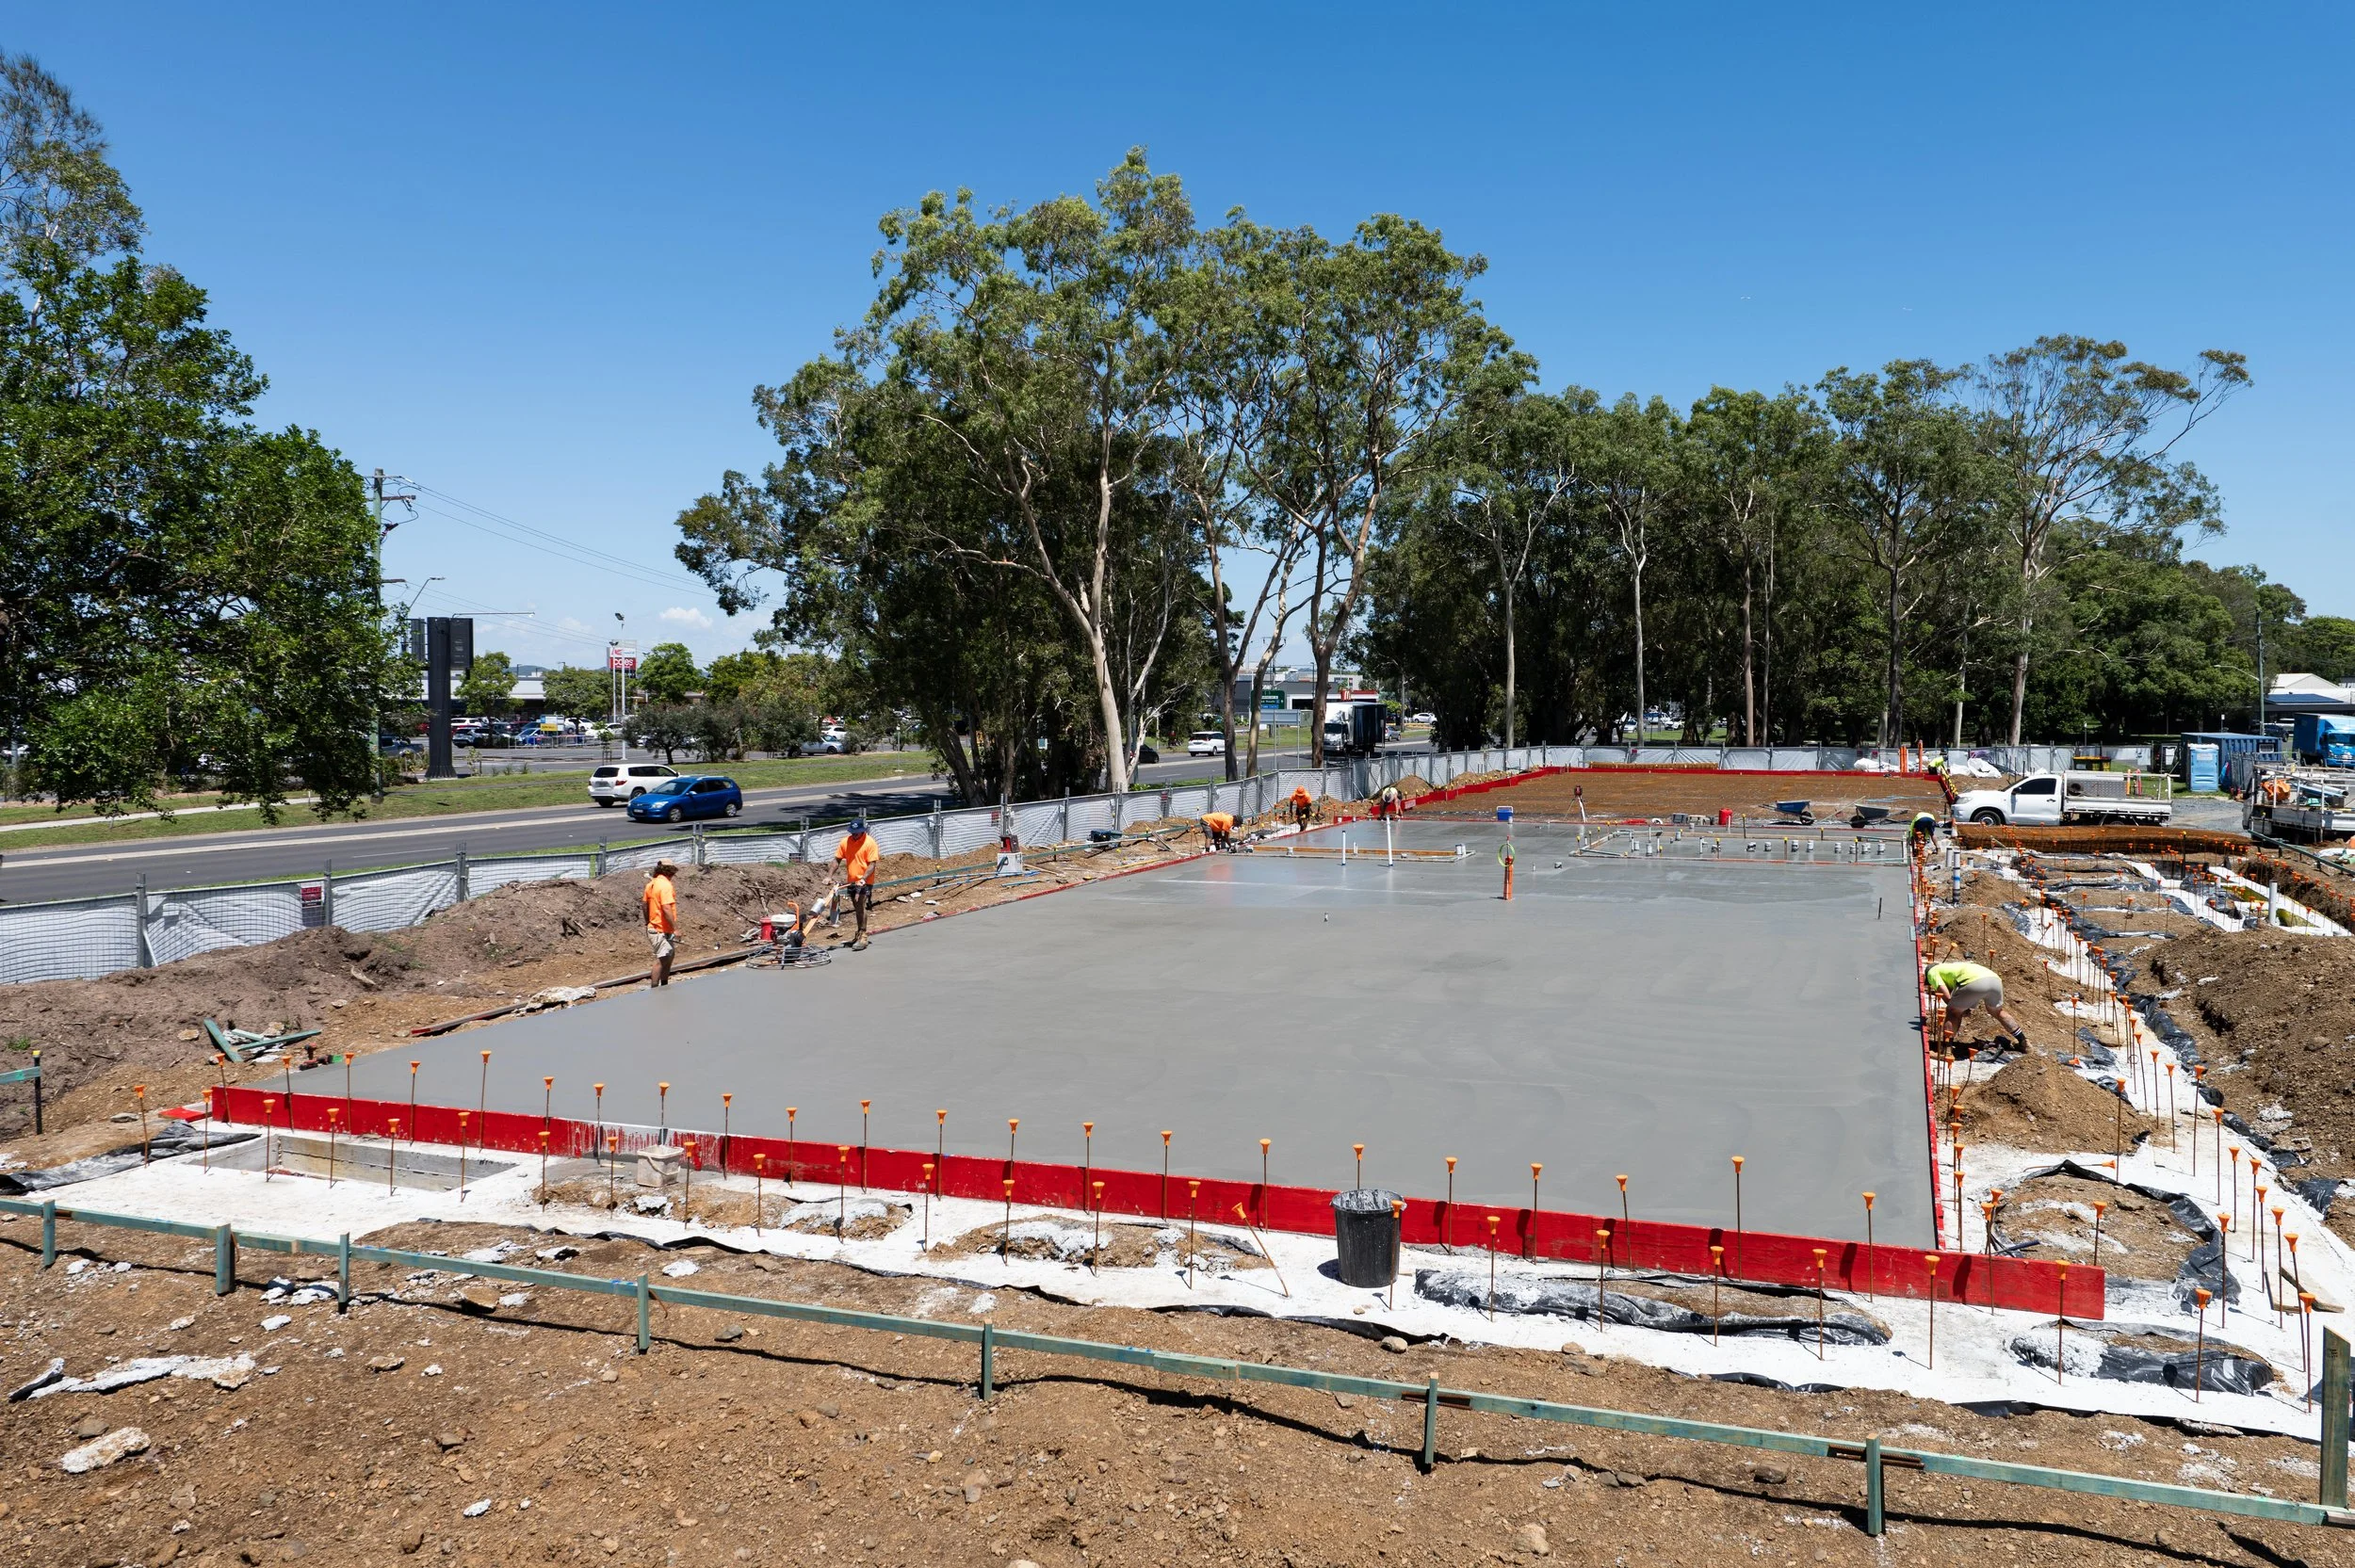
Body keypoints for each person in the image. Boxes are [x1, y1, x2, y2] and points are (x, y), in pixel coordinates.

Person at [1924, 950, 2028, 1050]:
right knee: (1998, 1012)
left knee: (1952, 1011)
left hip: (1973, 982)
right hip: (1994, 979)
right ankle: (2024, 1042)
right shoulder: (1952, 967)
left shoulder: (1932, 972)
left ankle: (1946, 1049)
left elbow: (1947, 997)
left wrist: (1958, 1010)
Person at [834, 816, 881, 951]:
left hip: (865, 881)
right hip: (852, 881)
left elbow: (872, 864)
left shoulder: (870, 843)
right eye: (852, 833)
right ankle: (859, 932)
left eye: (856, 833)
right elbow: (836, 860)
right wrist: (829, 875)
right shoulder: (845, 842)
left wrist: (863, 879)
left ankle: (863, 935)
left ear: (862, 831)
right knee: (857, 908)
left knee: (860, 905)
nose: (854, 835)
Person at [642, 859, 679, 987]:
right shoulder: (665, 886)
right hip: (660, 929)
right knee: (662, 960)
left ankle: (664, 985)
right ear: (670, 871)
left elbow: (644, 904)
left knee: (669, 957)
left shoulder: (651, 884)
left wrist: (648, 922)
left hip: (657, 927)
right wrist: (675, 929)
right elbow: (666, 908)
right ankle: (655, 988)